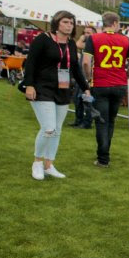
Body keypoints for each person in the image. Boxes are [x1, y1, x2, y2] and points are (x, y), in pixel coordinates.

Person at [22, 11, 91, 180]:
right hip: (41, 88)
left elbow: (76, 69)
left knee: (57, 130)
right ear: (56, 23)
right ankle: (37, 162)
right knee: (49, 128)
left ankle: (48, 164)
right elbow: (30, 63)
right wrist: (29, 85)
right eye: (65, 22)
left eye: (71, 23)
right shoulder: (42, 39)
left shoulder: (71, 44)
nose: (69, 25)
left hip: (62, 89)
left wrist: (86, 88)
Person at [82, 12, 129, 168]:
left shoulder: (94, 38)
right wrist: (126, 75)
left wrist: (88, 78)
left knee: (101, 122)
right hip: (119, 84)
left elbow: (86, 62)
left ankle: (103, 158)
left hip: (100, 84)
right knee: (111, 121)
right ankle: (105, 155)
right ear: (115, 23)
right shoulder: (126, 40)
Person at [70, 26, 97, 129]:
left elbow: (77, 44)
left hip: (88, 77)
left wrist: (81, 37)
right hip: (80, 77)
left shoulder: (93, 44)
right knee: (77, 100)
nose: (86, 35)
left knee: (86, 100)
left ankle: (87, 122)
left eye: (88, 33)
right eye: (84, 32)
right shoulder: (87, 44)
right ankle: (78, 120)